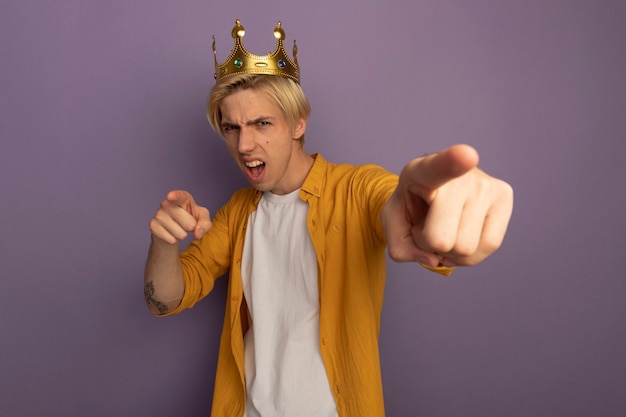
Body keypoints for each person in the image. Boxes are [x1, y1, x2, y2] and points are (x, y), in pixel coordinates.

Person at [144, 19, 513, 417]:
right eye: (231, 128)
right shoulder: (238, 212)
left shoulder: (354, 189)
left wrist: (427, 210)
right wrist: (164, 242)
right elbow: (164, 300)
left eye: (261, 123)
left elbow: (390, 203)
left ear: (298, 124)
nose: (244, 144)